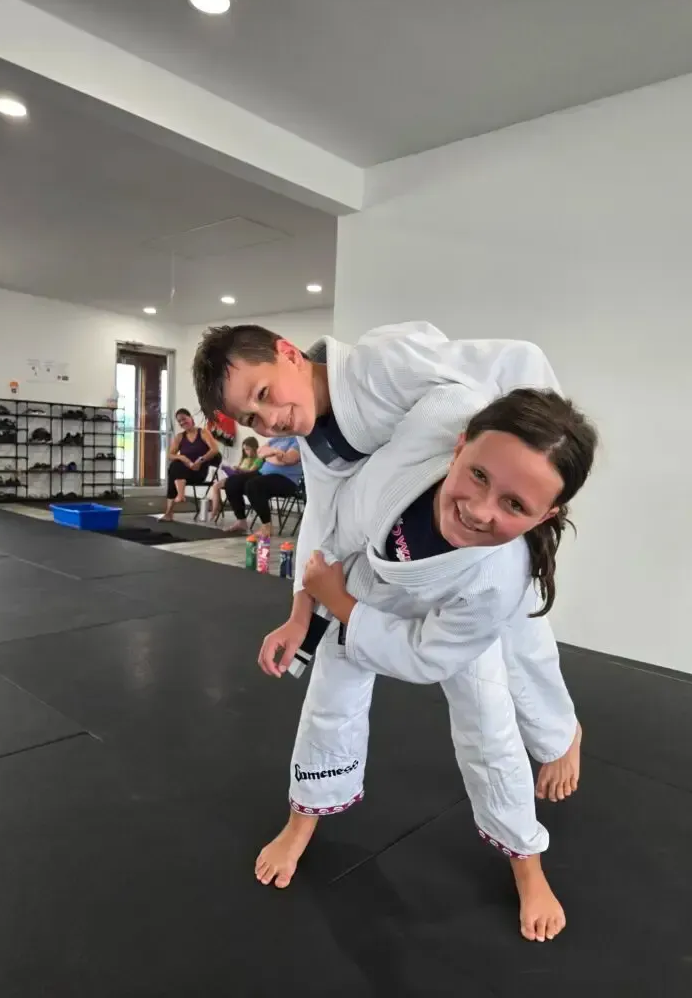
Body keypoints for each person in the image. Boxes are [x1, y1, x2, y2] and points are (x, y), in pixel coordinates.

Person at [255, 385, 599, 942]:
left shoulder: (498, 578)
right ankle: (301, 822)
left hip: (448, 622)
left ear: (546, 515)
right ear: (459, 443)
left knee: (491, 728)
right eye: (479, 475)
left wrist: (334, 600)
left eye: (516, 505)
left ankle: (528, 864)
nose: (479, 509)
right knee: (328, 704)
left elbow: (421, 656)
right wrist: (304, 608)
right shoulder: (435, 421)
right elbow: (334, 520)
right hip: (365, 582)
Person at [193, 322, 579, 799]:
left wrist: (541, 478)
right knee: (334, 673)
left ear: (288, 352)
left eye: (264, 393)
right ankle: (312, 805)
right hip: (388, 551)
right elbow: (324, 515)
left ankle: (557, 736)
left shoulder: (382, 361)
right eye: (251, 418)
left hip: (469, 541)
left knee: (507, 657)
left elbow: (514, 359)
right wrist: (301, 611)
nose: (269, 420)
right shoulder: (316, 442)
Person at [222, 436, 302, 538]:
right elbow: (259, 452)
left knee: (253, 485)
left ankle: (267, 527)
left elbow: (289, 459)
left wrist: (268, 454)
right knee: (232, 482)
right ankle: (241, 521)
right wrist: (275, 453)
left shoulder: (298, 440)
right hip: (263, 474)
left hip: (286, 480)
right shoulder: (276, 439)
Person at [162, 408, 220, 521]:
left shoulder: (202, 432)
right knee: (175, 466)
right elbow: (170, 455)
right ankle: (180, 495)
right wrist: (182, 457)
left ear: (191, 418)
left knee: (174, 471)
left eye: (184, 419)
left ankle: (170, 511)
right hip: (184, 472)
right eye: (180, 421)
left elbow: (214, 450)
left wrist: (200, 461)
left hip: (199, 472)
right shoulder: (180, 437)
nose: (182, 422)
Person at [206, 436, 262, 519]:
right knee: (215, 485)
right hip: (236, 478)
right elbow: (239, 469)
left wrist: (239, 469)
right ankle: (215, 509)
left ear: (255, 448)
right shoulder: (244, 459)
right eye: (244, 449)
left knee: (227, 484)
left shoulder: (259, 459)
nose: (246, 452)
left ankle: (216, 510)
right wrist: (234, 469)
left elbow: (252, 472)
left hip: (247, 480)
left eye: (248, 449)